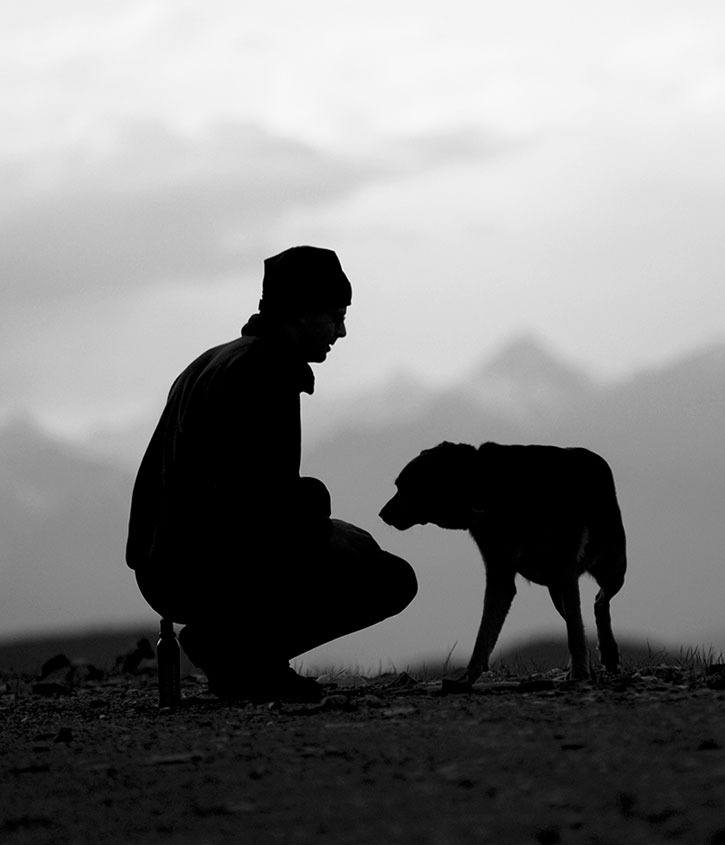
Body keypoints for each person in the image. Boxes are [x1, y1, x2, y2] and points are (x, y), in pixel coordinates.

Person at [126, 246, 417, 699]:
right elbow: (264, 510)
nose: (341, 331)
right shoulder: (269, 371)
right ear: (301, 313)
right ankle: (244, 658)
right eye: (335, 316)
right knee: (389, 578)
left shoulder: (207, 363)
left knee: (342, 541)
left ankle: (233, 646)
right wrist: (330, 523)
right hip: (206, 568)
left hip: (159, 568)